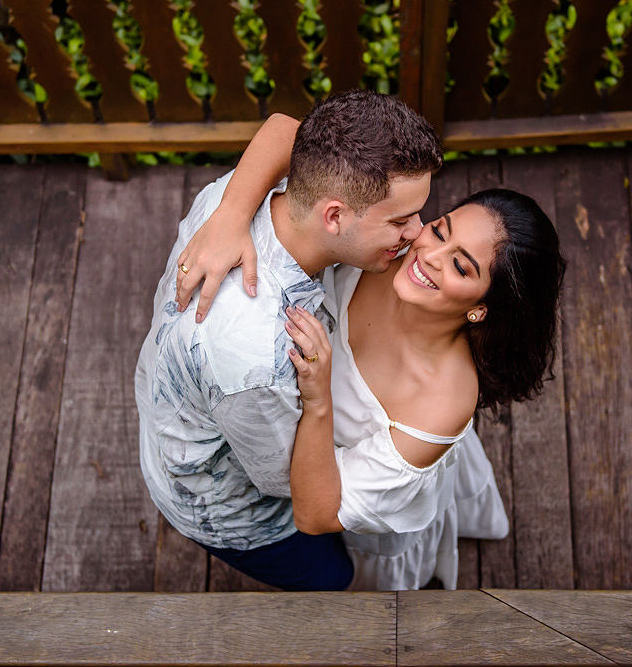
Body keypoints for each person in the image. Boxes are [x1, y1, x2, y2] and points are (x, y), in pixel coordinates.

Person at [178, 116, 566, 590]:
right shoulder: (387, 248)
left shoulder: (438, 404)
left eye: (461, 267)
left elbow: (318, 514)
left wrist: (318, 400)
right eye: (441, 231)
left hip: (339, 489)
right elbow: (289, 132)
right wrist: (231, 215)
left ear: (480, 310)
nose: (427, 255)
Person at [134, 90, 443, 591]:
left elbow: (283, 129)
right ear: (335, 216)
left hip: (187, 403)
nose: (419, 230)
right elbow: (288, 484)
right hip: (235, 509)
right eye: (399, 219)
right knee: (333, 578)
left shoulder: (235, 197)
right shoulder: (260, 361)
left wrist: (236, 209)